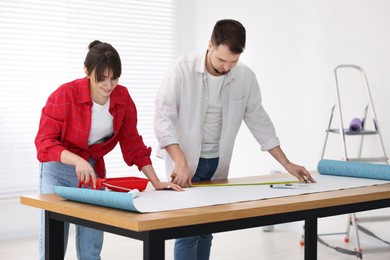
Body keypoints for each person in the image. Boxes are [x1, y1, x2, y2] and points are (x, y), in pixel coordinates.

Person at [154, 19, 316, 260]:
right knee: (187, 231)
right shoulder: (181, 69)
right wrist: (179, 161)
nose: (227, 67)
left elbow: (260, 123)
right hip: (185, 162)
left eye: (233, 61)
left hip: (217, 163)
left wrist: (287, 164)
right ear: (210, 45)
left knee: (207, 229)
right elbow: (163, 119)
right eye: (222, 60)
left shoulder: (245, 77)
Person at [35, 40, 182, 260]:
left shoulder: (122, 99)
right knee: (54, 241)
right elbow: (44, 142)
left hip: (92, 171)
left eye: (114, 78)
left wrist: (155, 181)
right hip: (60, 169)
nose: (108, 85)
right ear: (87, 71)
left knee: (92, 243)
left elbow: (133, 144)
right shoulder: (64, 95)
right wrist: (77, 160)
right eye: (101, 78)